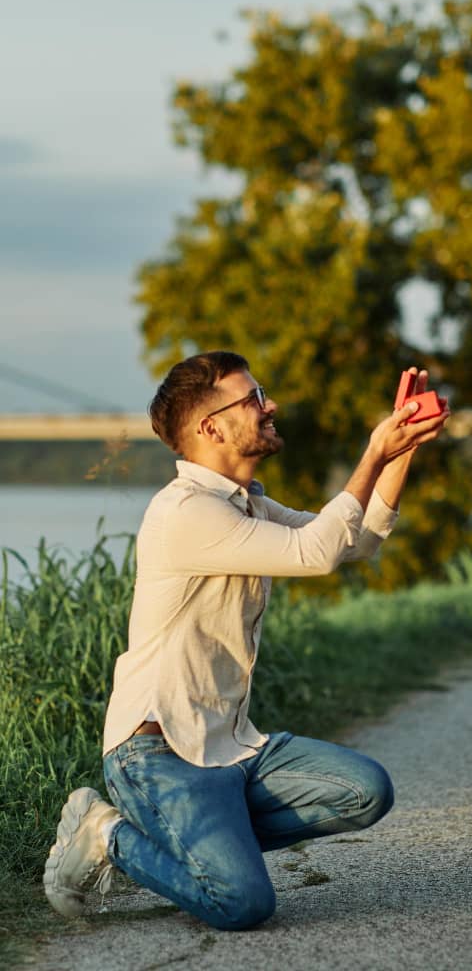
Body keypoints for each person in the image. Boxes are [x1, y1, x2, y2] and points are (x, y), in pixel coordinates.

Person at [43, 350, 449, 930]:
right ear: (211, 427)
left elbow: (352, 541)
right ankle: (106, 833)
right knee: (242, 904)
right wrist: (373, 451)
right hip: (159, 754)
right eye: (254, 398)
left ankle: (184, 851)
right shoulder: (185, 512)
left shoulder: (246, 504)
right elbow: (318, 553)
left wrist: (400, 451)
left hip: (230, 747)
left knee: (365, 791)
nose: (271, 405)